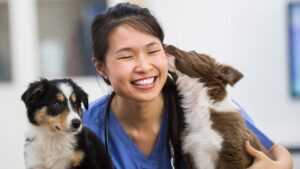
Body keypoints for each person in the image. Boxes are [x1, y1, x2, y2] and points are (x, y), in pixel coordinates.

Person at [83, 2, 293, 169]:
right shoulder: (84, 127)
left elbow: (279, 154)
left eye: (153, 51)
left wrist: (277, 166)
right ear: (101, 68)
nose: (144, 66)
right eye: (127, 56)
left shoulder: (204, 106)